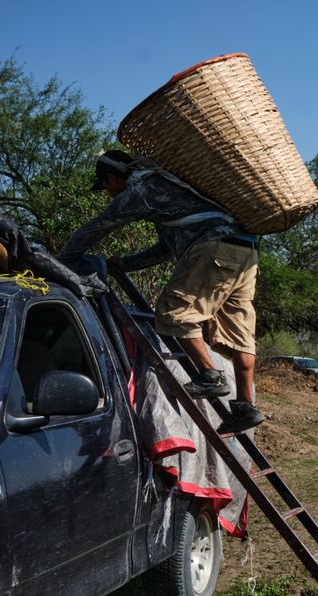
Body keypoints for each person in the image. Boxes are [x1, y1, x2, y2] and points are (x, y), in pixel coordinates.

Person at [59, 150, 264, 432]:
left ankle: (210, 376)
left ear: (112, 178)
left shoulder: (141, 188)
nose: (108, 193)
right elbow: (165, 250)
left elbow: (99, 226)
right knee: (239, 330)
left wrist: (64, 258)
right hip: (244, 251)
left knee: (172, 311)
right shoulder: (170, 190)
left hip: (213, 246)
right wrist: (125, 264)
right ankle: (245, 406)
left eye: (106, 186)